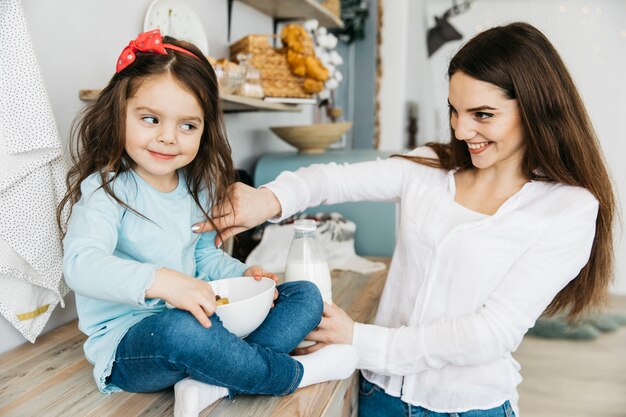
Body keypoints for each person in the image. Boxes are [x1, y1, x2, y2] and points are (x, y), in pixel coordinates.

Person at [198, 22, 615, 417]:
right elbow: (332, 179)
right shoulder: (432, 167)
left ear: (537, 109)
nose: (462, 129)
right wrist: (267, 200)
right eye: (454, 110)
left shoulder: (568, 208)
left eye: (482, 115)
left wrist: (359, 338)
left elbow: (491, 333)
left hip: (467, 406)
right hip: (378, 395)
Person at [57, 29, 358, 417]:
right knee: (182, 331)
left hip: (205, 324)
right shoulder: (105, 191)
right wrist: (162, 282)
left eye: (187, 126)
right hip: (136, 344)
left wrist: (245, 274)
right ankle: (294, 374)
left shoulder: (191, 189)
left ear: (204, 129)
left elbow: (202, 257)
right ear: (120, 114)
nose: (168, 137)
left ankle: (210, 381)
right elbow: (80, 265)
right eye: (150, 119)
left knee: (304, 296)